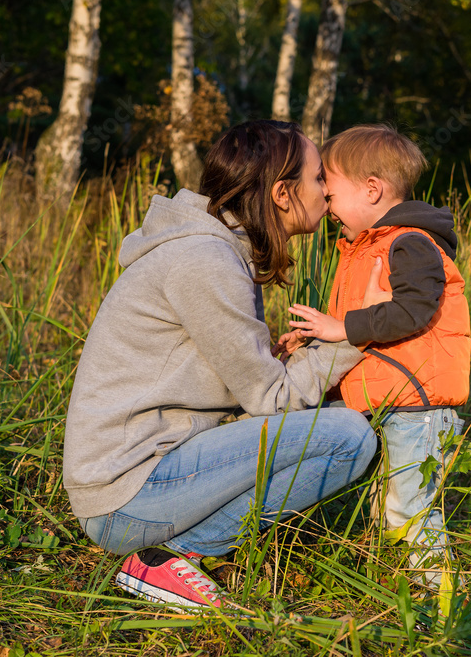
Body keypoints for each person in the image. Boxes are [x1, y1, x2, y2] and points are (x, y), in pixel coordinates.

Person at [63, 120, 386, 611]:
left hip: (143, 476)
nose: (328, 191)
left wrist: (281, 360)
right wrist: (359, 330)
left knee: (334, 426)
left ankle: (174, 557)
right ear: (282, 192)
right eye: (319, 177)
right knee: (347, 438)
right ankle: (174, 557)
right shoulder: (206, 260)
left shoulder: (218, 250)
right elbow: (272, 400)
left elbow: (233, 385)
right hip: (125, 498)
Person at [283, 124, 471, 592]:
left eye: (331, 189)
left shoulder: (410, 243)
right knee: (385, 506)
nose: (324, 202)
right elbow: (370, 326)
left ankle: (441, 609)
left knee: (410, 511)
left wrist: (340, 328)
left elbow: (411, 310)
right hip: (388, 402)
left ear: (372, 189)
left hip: (418, 407)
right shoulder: (370, 245)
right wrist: (313, 343)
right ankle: (398, 592)